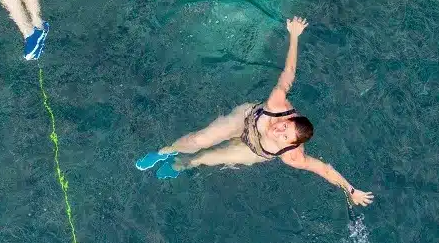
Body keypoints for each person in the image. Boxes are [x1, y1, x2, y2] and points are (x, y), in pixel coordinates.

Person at [135, 17, 375, 207]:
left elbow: (324, 169)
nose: (279, 129)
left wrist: (351, 190)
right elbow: (289, 72)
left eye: (284, 134)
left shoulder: (292, 156)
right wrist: (294, 36)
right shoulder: (277, 105)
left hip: (256, 150)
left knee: (204, 158)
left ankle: (180, 165)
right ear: (289, 117)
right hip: (246, 120)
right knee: (199, 140)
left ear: (291, 144)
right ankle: (164, 152)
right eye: (285, 125)